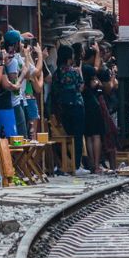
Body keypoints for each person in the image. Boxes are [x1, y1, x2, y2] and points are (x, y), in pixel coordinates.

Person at [52, 45, 87, 174]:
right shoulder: (73, 71)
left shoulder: (57, 73)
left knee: (69, 135)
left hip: (63, 108)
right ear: (69, 57)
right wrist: (80, 72)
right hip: (76, 105)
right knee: (77, 137)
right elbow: (81, 87)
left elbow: (55, 91)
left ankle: (66, 164)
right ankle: (76, 166)